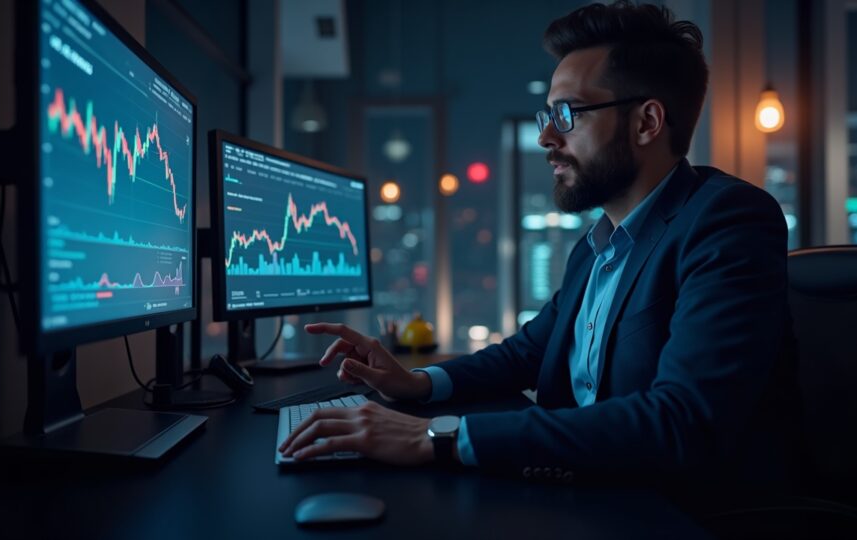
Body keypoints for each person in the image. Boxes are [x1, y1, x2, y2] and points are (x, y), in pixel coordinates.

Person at [280, 0, 799, 509]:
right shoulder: (596, 246)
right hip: (584, 494)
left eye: (567, 114)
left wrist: (434, 436)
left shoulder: (726, 221)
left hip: (673, 514)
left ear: (646, 122)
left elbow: (681, 420)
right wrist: (416, 384)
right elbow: (528, 353)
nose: (547, 136)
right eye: (547, 114)